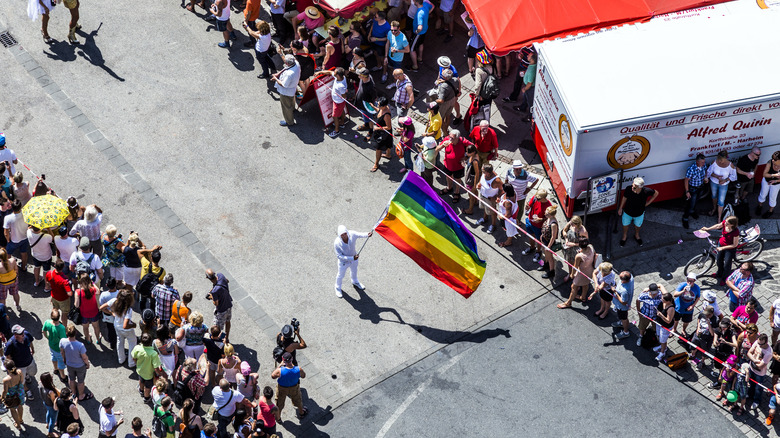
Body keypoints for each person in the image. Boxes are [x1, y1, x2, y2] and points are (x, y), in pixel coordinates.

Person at [617, 177, 658, 247]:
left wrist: (648, 203)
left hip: (639, 214)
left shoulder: (646, 191)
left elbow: (656, 193)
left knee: (638, 226)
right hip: (627, 212)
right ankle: (624, 236)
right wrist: (620, 208)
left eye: (635, 187)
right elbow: (624, 198)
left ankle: (637, 235)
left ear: (640, 188)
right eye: (633, 185)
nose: (632, 188)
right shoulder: (628, 189)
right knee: (625, 225)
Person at [101, 289, 137, 366]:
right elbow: (125, 325)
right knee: (132, 343)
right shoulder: (128, 309)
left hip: (117, 325)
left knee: (120, 341)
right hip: (127, 330)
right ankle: (131, 363)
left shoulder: (114, 301)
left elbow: (102, 308)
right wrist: (133, 325)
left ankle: (121, 359)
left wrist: (111, 313)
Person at [700, 215, 739, 286]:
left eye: (727, 223)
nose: (725, 224)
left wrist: (722, 248)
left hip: (729, 248)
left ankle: (725, 278)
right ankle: (719, 273)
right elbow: (718, 226)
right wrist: (708, 229)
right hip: (721, 244)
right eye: (725, 222)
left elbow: (734, 245)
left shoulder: (735, 232)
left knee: (727, 264)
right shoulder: (725, 223)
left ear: (732, 224)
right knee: (719, 260)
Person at [334, 225, 372, 298]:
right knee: (340, 275)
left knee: (354, 271)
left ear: (347, 232)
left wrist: (367, 234)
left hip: (354, 259)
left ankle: (355, 281)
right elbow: (339, 256)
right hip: (343, 263)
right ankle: (337, 287)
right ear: (339, 235)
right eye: (342, 235)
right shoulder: (337, 243)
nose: (344, 236)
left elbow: (360, 234)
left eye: (345, 233)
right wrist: (352, 258)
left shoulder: (352, 234)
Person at [557, 237, 595, 309]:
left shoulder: (579, 256)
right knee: (586, 284)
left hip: (582, 273)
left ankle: (568, 303)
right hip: (590, 270)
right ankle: (583, 297)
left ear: (580, 245)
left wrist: (572, 274)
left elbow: (575, 266)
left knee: (574, 287)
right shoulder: (591, 247)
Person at [436, 130, 473, 203]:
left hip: (458, 166)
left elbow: (473, 148)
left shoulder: (463, 141)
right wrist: (443, 145)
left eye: (452, 138)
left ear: (457, 138)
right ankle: (449, 188)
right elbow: (437, 149)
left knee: (457, 179)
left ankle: (457, 192)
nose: (450, 139)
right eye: (450, 137)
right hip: (448, 164)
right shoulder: (447, 139)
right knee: (448, 176)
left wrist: (466, 157)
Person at [59, 324, 92, 401]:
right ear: (75, 333)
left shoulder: (62, 341)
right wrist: (87, 364)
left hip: (69, 364)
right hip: (80, 366)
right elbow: (84, 357)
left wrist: (64, 359)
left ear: (66, 333)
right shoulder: (80, 345)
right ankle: (81, 395)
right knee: (80, 381)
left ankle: (73, 393)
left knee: (71, 378)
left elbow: (62, 352)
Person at [271, 352, 307, 420]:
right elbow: (303, 376)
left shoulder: (280, 370)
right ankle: (301, 412)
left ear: (283, 360)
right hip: (294, 387)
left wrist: (279, 365)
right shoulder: (298, 369)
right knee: (298, 400)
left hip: (282, 388)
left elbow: (273, 376)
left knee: (280, 402)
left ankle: (278, 418)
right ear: (292, 359)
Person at [4, 324, 36, 400]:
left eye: (23, 332)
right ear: (15, 335)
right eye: (21, 333)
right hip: (19, 366)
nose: (23, 334)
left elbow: (30, 341)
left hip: (29, 360)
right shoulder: (10, 344)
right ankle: (27, 390)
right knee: (21, 380)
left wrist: (32, 349)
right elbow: (8, 356)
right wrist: (12, 368)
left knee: (33, 372)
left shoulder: (26, 334)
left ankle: (27, 375)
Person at [742, 333, 772, 412]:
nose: (758, 345)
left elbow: (760, 366)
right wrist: (755, 360)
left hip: (760, 373)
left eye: (760, 344)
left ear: (765, 342)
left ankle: (757, 400)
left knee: (758, 388)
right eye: (758, 343)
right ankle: (750, 395)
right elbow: (749, 353)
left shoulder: (768, 353)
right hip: (751, 368)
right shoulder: (758, 342)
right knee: (751, 384)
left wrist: (752, 359)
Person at [521, 189, 552, 262]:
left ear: (544, 198)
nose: (536, 199)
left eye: (539, 198)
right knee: (531, 236)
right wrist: (527, 206)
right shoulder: (535, 198)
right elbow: (529, 205)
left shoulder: (548, 206)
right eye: (536, 197)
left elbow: (550, 218)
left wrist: (540, 219)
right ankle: (532, 247)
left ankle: (538, 252)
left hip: (539, 226)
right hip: (530, 221)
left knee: (538, 240)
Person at [131, 333, 164, 403]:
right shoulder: (153, 353)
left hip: (140, 370)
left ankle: (141, 390)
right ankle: (146, 398)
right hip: (149, 374)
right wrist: (160, 374)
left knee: (141, 380)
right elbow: (156, 368)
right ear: (150, 342)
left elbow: (134, 357)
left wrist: (137, 363)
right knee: (148, 387)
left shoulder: (137, 348)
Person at [706, 150, 737, 220]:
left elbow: (734, 176)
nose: (719, 161)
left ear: (726, 158)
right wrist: (716, 176)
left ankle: (719, 217)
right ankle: (714, 209)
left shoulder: (730, 165)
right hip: (714, 182)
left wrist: (725, 180)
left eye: (721, 160)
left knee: (721, 201)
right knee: (714, 196)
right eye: (718, 159)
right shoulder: (714, 162)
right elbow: (709, 172)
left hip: (724, 185)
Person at [272, 55, 301, 127]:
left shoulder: (289, 74)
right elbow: (286, 68)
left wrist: (276, 78)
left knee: (286, 107)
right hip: (292, 89)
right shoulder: (296, 64)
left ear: (287, 63)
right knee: (291, 101)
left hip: (286, 92)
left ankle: (289, 121)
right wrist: (278, 74)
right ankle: (293, 109)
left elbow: (283, 84)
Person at [206, 269, 233, 344]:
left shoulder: (215, 291)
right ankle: (226, 338)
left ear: (207, 278)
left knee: (216, 329)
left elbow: (216, 303)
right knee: (228, 321)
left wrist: (211, 297)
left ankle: (218, 343)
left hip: (221, 310)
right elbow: (227, 281)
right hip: (228, 304)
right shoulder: (221, 275)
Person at [369, 96, 394, 171]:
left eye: (379, 104)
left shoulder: (386, 115)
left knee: (378, 148)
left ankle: (376, 164)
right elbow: (378, 111)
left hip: (383, 133)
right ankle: (388, 155)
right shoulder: (382, 109)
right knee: (388, 143)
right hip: (382, 132)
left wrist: (377, 128)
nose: (377, 105)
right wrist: (373, 106)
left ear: (384, 106)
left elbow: (389, 127)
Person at [43, 309, 68, 382]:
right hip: (59, 348)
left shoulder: (47, 322)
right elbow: (64, 339)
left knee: (53, 357)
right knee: (61, 362)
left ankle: (55, 369)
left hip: (51, 345)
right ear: (59, 317)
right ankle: (63, 376)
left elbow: (44, 331)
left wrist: (47, 337)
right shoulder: (61, 328)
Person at [682, 153, 707, 229]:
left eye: (704, 162)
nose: (704, 163)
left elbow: (705, 172)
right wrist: (687, 191)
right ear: (697, 162)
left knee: (696, 202)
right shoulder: (691, 169)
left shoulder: (703, 166)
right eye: (702, 162)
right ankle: (685, 218)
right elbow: (686, 180)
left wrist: (705, 178)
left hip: (700, 187)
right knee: (690, 204)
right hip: (693, 189)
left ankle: (692, 212)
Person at [74, 276, 101, 344]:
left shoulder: (78, 292)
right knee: (96, 327)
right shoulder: (93, 289)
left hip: (84, 314)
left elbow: (76, 305)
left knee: (85, 328)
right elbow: (98, 291)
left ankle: (88, 339)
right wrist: (93, 283)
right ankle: (98, 339)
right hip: (94, 312)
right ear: (89, 282)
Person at [475, 164, 502, 233]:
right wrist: (479, 184)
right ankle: (485, 218)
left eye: (483, 171)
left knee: (493, 212)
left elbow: (503, 189)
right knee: (484, 208)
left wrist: (496, 197)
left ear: (488, 172)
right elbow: (481, 181)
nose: (482, 172)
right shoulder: (484, 175)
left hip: (490, 199)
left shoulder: (496, 180)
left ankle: (493, 225)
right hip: (482, 195)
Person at [3, 199, 29, 271]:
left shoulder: (8, 218)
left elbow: (6, 232)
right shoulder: (26, 214)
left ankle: (10, 268)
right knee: (24, 253)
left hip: (14, 240)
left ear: (12, 207)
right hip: (24, 238)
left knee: (8, 254)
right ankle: (24, 267)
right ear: (20, 207)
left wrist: (8, 240)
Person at [323, 67, 348, 138]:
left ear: (337, 75)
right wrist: (319, 72)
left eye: (335, 72)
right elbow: (329, 72)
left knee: (335, 116)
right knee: (342, 110)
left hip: (338, 102)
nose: (333, 72)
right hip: (340, 102)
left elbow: (343, 96)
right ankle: (342, 123)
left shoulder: (341, 86)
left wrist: (343, 93)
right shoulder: (342, 77)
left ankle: (336, 130)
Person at [560, 216, 587, 282]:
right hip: (569, 248)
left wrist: (574, 244)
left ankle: (576, 278)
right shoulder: (570, 224)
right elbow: (564, 230)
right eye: (571, 222)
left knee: (576, 265)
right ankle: (570, 274)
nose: (570, 224)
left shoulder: (582, 231)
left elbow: (586, 243)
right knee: (569, 261)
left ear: (577, 224)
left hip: (576, 250)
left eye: (572, 224)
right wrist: (566, 239)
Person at [512, 51, 537, 123]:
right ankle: (522, 107)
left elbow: (530, 83)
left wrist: (525, 89)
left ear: (532, 60)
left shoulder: (532, 70)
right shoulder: (532, 65)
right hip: (528, 88)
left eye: (529, 56)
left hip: (529, 88)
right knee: (525, 98)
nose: (527, 56)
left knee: (530, 103)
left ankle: (530, 116)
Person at [2, 359, 25, 430]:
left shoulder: (6, 380)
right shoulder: (20, 371)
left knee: (13, 410)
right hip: (20, 392)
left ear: (6, 368)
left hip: (12, 396)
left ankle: (18, 425)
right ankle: (20, 420)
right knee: (20, 406)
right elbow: (22, 381)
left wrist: (2, 397)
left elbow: (5, 391)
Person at [408, 0, 432, 71]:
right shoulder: (425, 4)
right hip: (424, 31)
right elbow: (432, 6)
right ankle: (420, 58)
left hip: (418, 33)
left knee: (411, 49)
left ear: (416, 2)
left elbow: (420, 27)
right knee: (421, 43)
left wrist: (416, 31)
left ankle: (415, 66)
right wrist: (427, 14)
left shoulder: (419, 13)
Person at [433, 68, 458, 133]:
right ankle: (446, 128)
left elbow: (441, 100)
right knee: (448, 115)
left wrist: (434, 101)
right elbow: (451, 82)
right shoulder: (455, 80)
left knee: (441, 118)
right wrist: (444, 81)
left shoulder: (443, 87)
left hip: (445, 103)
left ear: (445, 77)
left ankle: (445, 133)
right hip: (452, 99)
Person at [756, 150, 780, 218]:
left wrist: (775, 181)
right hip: (766, 181)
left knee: (773, 197)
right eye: (773, 159)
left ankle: (770, 211)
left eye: (775, 160)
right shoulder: (770, 162)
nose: (773, 161)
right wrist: (774, 175)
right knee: (763, 194)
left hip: (776, 183)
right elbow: (764, 174)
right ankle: (759, 206)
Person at [538, 205, 559, 279]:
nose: (545, 214)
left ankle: (551, 271)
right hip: (544, 240)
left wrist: (549, 246)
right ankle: (545, 265)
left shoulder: (553, 224)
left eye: (547, 214)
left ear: (552, 215)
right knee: (546, 255)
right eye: (545, 213)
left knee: (550, 258)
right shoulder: (548, 219)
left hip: (548, 242)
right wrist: (542, 236)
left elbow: (553, 237)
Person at [99, 278, 120, 351]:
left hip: (108, 316)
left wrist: (110, 312)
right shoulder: (119, 293)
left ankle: (112, 344)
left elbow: (101, 306)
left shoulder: (103, 295)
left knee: (110, 330)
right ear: (115, 284)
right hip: (118, 316)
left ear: (106, 285)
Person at [654, 293, 676, 363]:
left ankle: (662, 352)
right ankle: (662, 346)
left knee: (663, 340)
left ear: (668, 301)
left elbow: (668, 321)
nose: (661, 300)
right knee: (660, 336)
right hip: (659, 323)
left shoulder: (671, 308)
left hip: (665, 326)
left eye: (663, 299)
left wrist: (661, 315)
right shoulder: (663, 302)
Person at [611, 271, 634, 340]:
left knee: (624, 318)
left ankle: (625, 332)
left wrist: (615, 292)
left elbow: (623, 302)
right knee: (622, 318)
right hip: (619, 305)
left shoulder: (624, 291)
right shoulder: (631, 277)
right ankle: (621, 323)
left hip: (622, 307)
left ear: (623, 280)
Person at [40, 372, 60, 437]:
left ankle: (47, 424)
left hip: (45, 403)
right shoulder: (50, 392)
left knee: (48, 413)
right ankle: (50, 432)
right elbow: (54, 401)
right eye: (50, 376)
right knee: (53, 419)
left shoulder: (41, 384)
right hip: (51, 406)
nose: (52, 376)